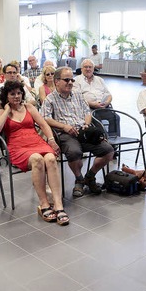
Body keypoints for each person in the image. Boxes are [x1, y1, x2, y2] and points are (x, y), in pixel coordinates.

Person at [0, 80, 69, 226]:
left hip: (36, 141)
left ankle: (58, 205)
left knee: (51, 158)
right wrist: (7, 110)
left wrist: (51, 140)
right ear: (6, 96)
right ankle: (44, 203)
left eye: (19, 93)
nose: (16, 96)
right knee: (37, 159)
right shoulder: (2, 112)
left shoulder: (29, 107)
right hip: (17, 146)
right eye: (12, 94)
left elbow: (43, 124)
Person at [42, 67, 114, 197]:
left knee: (108, 150)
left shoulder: (78, 95)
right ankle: (79, 179)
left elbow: (87, 112)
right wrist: (64, 126)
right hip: (65, 134)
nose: (70, 82)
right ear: (57, 81)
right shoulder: (50, 99)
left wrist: (87, 124)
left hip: (83, 130)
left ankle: (89, 176)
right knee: (75, 153)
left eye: (72, 80)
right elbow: (45, 118)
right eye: (66, 80)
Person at [75, 59, 119, 136]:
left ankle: (114, 140)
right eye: (85, 67)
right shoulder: (76, 80)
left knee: (115, 117)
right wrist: (92, 104)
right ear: (81, 69)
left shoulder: (100, 80)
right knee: (96, 119)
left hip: (103, 107)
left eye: (90, 67)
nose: (88, 69)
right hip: (88, 109)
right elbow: (77, 99)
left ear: (93, 68)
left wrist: (106, 103)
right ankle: (104, 139)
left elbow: (109, 95)